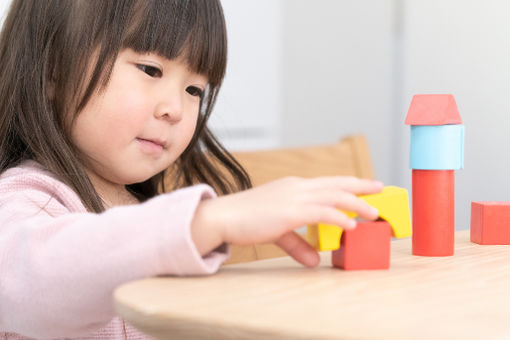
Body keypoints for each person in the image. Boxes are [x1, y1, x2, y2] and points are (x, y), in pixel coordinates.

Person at [0, 0, 383, 338]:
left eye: (194, 90)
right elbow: (27, 280)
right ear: (52, 70)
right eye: (150, 70)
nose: (176, 109)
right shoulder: (23, 201)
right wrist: (208, 221)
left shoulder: (147, 211)